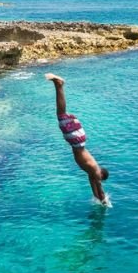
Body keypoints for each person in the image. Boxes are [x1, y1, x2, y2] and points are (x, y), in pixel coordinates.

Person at [45, 73, 111, 206]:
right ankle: (59, 85)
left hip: (79, 139)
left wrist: (97, 200)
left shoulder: (92, 171)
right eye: (100, 179)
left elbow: (93, 187)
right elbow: (100, 189)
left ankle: (58, 85)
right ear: (101, 175)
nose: (98, 179)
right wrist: (105, 203)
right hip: (76, 141)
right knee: (61, 114)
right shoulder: (96, 172)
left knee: (62, 114)